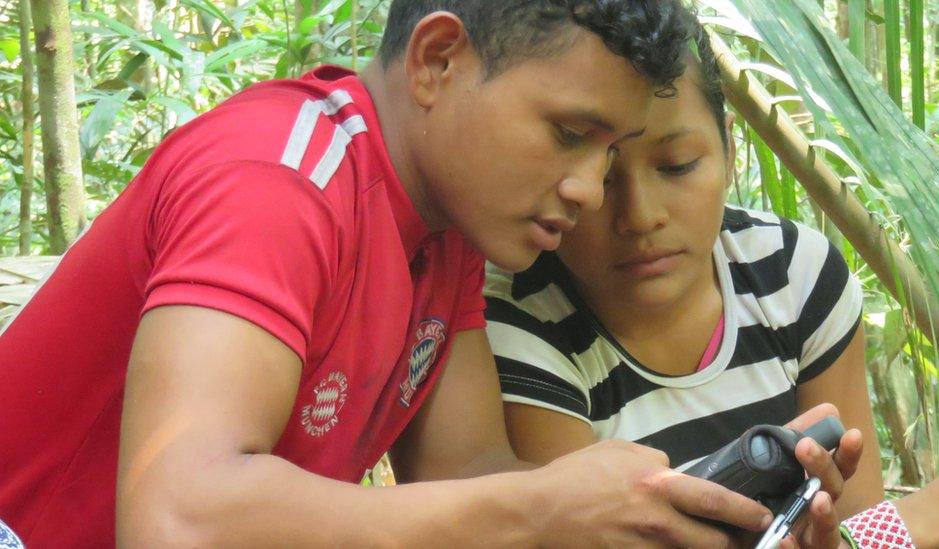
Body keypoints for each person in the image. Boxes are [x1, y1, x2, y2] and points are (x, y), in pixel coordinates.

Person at [0, 1, 823, 547]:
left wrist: (665, 509)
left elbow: (469, 477)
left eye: (608, 149)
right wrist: (541, 507)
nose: (590, 185)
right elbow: (176, 517)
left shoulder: (452, 231)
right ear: (436, 61)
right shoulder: (278, 182)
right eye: (571, 132)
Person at [484, 11, 885, 546]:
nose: (641, 215)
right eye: (603, 174)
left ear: (728, 148)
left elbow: (873, 527)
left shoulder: (795, 274)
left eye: (676, 165)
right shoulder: (521, 323)